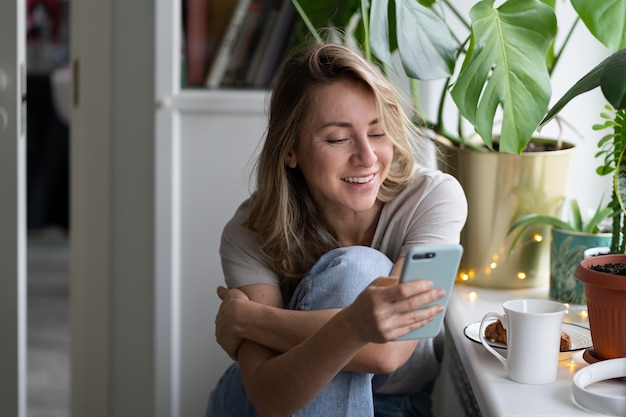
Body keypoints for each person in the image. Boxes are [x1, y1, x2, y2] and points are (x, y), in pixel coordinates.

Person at [206, 43, 467, 417]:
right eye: (337, 138)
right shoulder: (251, 229)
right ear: (290, 150)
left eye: (378, 134)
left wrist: (253, 320)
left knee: (358, 269)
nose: (366, 157)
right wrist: (357, 323)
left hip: (390, 403)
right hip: (264, 398)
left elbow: (390, 352)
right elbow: (267, 396)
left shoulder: (434, 198)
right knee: (357, 272)